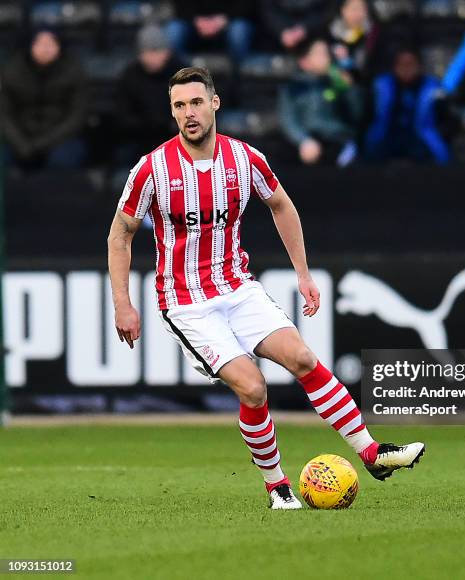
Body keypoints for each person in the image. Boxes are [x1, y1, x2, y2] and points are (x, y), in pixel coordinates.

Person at [107, 67, 425, 509]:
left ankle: (372, 453)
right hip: (187, 303)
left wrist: (304, 272)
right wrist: (123, 304)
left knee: (302, 357)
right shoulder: (153, 169)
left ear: (214, 103)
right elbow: (120, 234)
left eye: (196, 102)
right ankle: (278, 488)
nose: (188, 113)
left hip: (237, 288)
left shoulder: (245, 159)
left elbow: (280, 204)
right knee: (254, 388)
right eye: (179, 105)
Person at [0, 27, 87, 170]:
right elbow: (4, 114)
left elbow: (77, 116)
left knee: (64, 159)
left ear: (59, 47)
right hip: (19, 137)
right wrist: (21, 143)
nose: (45, 49)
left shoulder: (73, 71)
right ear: (30, 46)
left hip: (60, 138)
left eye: (50, 44)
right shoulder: (12, 71)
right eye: (40, 44)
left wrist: (43, 144)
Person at [278, 38, 362, 166]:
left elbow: (357, 114)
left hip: (337, 142)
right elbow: (288, 119)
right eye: (319, 54)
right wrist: (303, 140)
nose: (326, 58)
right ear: (304, 61)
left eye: (326, 54)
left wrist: (349, 88)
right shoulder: (293, 88)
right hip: (307, 145)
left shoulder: (337, 84)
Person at [364, 47, 450, 164]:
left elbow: (445, 118)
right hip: (388, 137)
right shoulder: (382, 87)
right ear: (394, 67)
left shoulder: (432, 88)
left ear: (419, 67)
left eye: (410, 64)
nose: (406, 69)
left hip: (420, 139)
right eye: (402, 64)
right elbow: (369, 118)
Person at [115, 24, 186, 164]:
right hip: (139, 138)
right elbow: (123, 117)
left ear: (167, 52)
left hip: (175, 138)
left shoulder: (182, 74)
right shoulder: (129, 76)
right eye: (147, 52)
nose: (152, 58)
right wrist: (149, 125)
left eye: (157, 51)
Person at [328, 0, 379, 80]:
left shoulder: (373, 33)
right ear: (343, 10)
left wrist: (349, 64)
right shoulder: (332, 31)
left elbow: (369, 69)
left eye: (361, 9)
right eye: (353, 9)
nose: (357, 14)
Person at [260, 0, 332, 51]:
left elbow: (327, 11)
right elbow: (266, 9)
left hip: (315, 37)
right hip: (273, 39)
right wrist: (282, 30)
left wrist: (304, 28)